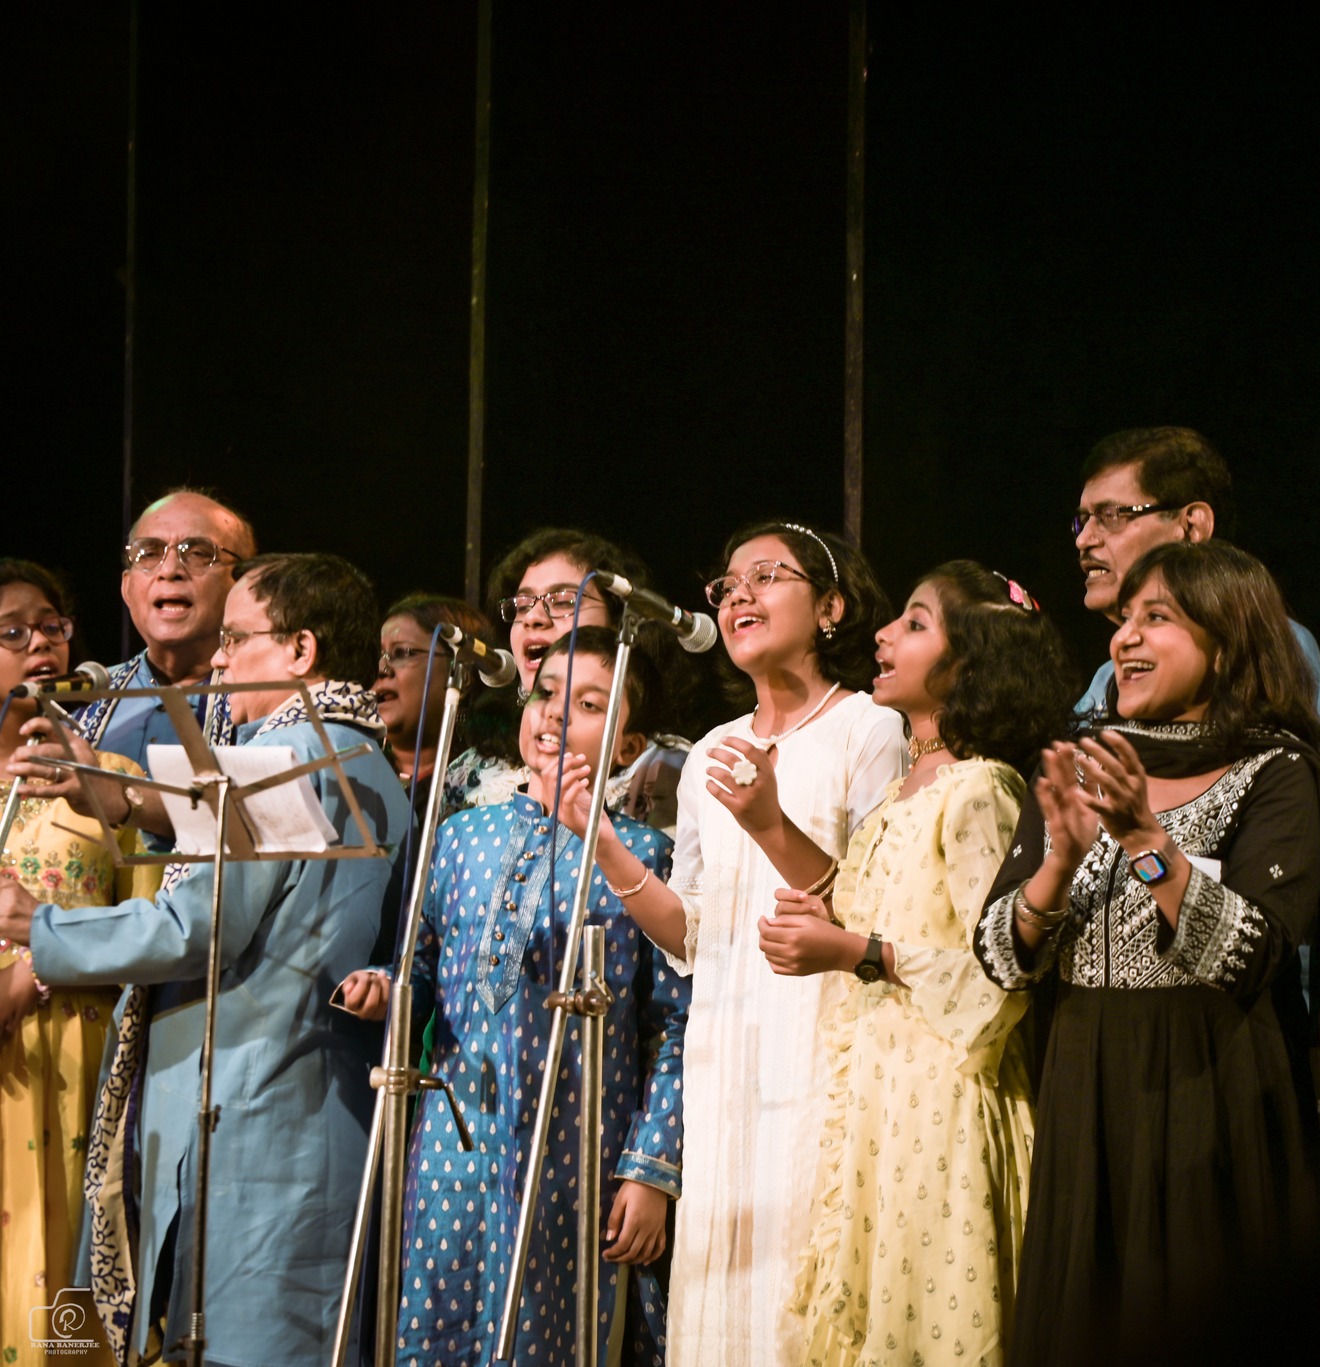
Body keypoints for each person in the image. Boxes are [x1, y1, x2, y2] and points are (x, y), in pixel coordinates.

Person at [974, 540, 1320, 1366]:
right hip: (1089, 1087)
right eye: (1122, 618)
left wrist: (1142, 838)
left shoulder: (1276, 772)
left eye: (1155, 616)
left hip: (1215, 1089)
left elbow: (1250, 954)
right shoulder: (1086, 765)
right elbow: (1001, 957)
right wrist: (1058, 858)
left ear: (1228, 642)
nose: (1124, 636)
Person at [0, 552, 410, 1367]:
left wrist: (40, 928)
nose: (219, 660)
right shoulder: (357, 755)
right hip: (283, 1110)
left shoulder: (293, 749)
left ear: (301, 651)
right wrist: (122, 800)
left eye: (237, 639)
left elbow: (197, 925)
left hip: (257, 1116)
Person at [335, 629, 688, 1365]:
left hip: (573, 1147)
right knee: (439, 1320)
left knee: (550, 1329)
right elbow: (423, 967)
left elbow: (673, 1024)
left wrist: (650, 1167)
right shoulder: (460, 835)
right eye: (547, 693)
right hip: (453, 1139)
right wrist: (389, 988)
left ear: (629, 743)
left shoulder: (647, 855)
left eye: (589, 703)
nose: (555, 715)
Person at [762, 562, 1074, 1366]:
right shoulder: (905, 789)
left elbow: (996, 975)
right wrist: (827, 921)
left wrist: (859, 950)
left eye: (914, 623)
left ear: (967, 662)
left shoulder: (980, 789)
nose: (884, 635)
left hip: (943, 1099)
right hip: (877, 1093)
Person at [614, 521, 902, 1366]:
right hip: (727, 1058)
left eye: (766, 577)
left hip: (823, 1053)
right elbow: (693, 935)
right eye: (727, 584)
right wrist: (599, 837)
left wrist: (771, 825)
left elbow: (875, 912)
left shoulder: (868, 729)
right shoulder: (710, 750)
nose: (738, 595)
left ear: (832, 607)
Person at [0, 561, 159, 1367]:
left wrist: (37, 966)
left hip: (81, 1070)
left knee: (63, 1319)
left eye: (54, 626)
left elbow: (160, 937)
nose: (40, 644)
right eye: (12, 631)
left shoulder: (117, 783)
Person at [1070, 427, 1320, 778]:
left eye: (1111, 516)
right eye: (1083, 520)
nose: (1085, 540)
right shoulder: (1106, 679)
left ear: (1191, 526)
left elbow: (1298, 807)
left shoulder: (1270, 646)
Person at [446, 529, 699, 830]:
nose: (533, 618)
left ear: (622, 621)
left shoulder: (665, 766)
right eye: (523, 604)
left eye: (564, 601)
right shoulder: (471, 770)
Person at [73, 488, 258, 765]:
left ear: (243, 585)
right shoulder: (81, 702)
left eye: (198, 553)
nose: (169, 570)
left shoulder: (268, 701)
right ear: (126, 587)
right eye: (148, 554)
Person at [372, 593, 499, 827]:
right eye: (377, 656)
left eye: (402, 652)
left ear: (464, 675)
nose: (382, 669)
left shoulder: (489, 788)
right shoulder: (357, 775)